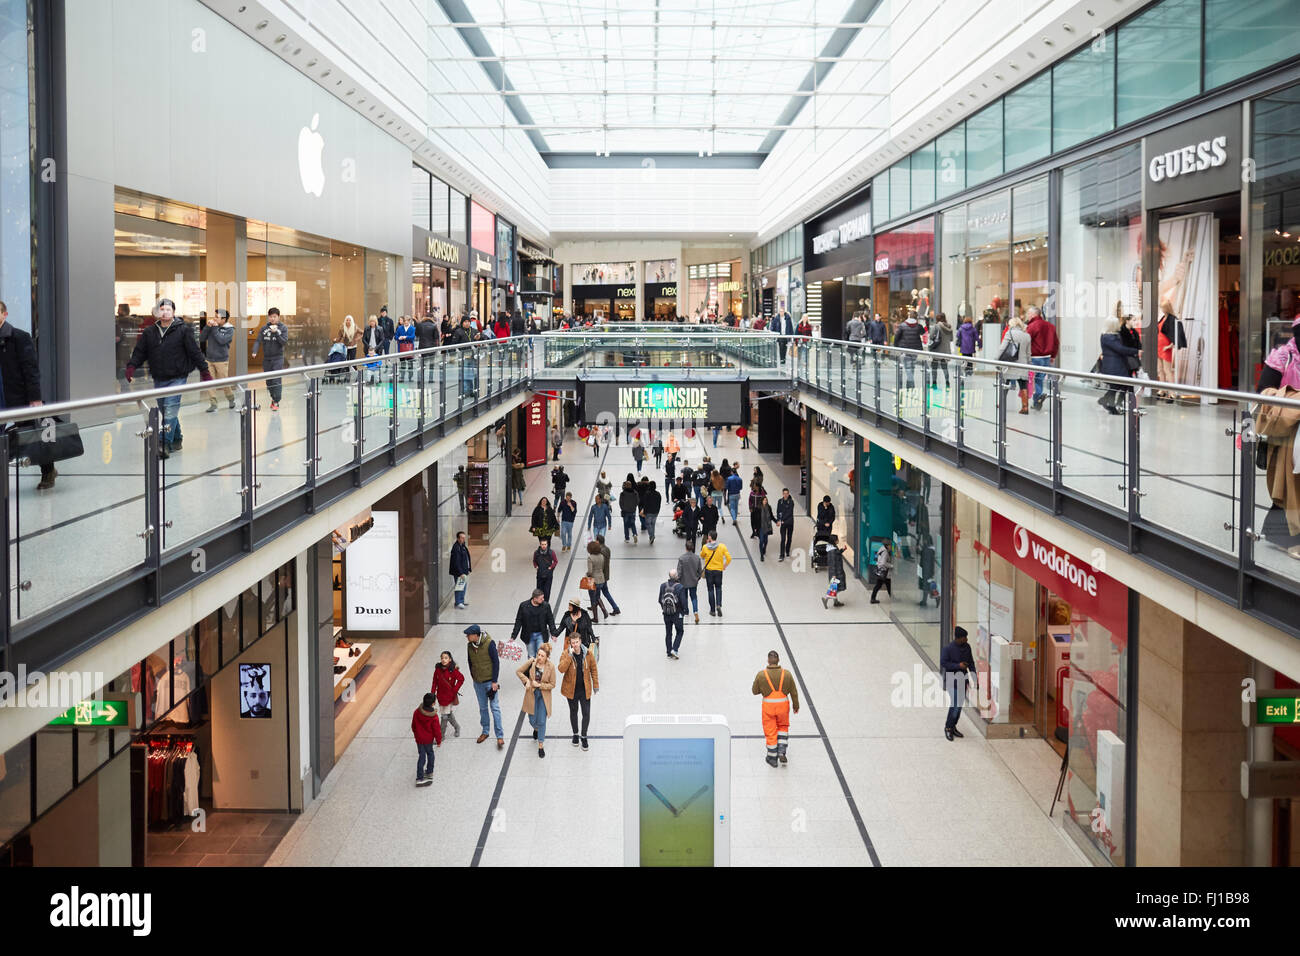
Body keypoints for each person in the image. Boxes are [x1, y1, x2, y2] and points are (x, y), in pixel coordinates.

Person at [125, 298, 212, 457]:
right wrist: (132, 366)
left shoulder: (183, 330)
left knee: (171, 408)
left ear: (173, 312)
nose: (165, 312)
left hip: (178, 376)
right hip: (159, 376)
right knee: (166, 410)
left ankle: (163, 443)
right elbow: (140, 351)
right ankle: (177, 438)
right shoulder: (150, 331)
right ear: (157, 312)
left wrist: (204, 371)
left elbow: (194, 351)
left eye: (168, 309)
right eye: (162, 309)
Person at [0, 300, 57, 489]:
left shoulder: (19, 337)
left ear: (4, 314)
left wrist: (35, 398)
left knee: (33, 435)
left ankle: (48, 470)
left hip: (18, 397)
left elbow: (31, 370)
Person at [752, 650, 800, 767]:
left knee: (770, 731)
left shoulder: (761, 675)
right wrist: (796, 705)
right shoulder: (787, 674)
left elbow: (755, 691)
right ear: (778, 660)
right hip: (783, 706)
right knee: (782, 727)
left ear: (768, 660)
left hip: (768, 707)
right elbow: (794, 692)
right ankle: (782, 751)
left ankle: (772, 758)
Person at [464, 624, 505, 749]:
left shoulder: (489, 643)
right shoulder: (470, 646)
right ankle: (485, 731)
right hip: (478, 682)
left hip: (489, 682)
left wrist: (494, 681)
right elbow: (470, 662)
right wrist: (473, 676)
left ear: (476, 635)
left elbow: (496, 662)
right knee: (483, 708)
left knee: (495, 708)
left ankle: (500, 736)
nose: (467, 637)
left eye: (469, 635)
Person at [558, 632, 599, 750]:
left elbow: (594, 669)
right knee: (573, 711)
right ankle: (575, 734)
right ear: (570, 643)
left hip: (584, 689)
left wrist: (595, 685)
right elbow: (561, 669)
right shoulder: (566, 654)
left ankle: (584, 736)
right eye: (573, 642)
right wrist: (569, 657)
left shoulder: (588, 654)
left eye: (577, 642)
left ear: (580, 641)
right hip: (571, 690)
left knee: (586, 713)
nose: (575, 645)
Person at [516, 643, 556, 759]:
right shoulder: (532, 663)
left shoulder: (551, 667)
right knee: (532, 719)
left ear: (547, 657)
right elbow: (518, 672)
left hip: (543, 696)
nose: (539, 657)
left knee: (542, 721)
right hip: (532, 695)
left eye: (542, 656)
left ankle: (540, 745)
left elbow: (553, 684)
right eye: (539, 654)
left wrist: (540, 685)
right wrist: (527, 681)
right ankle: (536, 728)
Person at [1098, 315, 1140, 416]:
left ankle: (1106, 402)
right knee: (1117, 385)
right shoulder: (1109, 337)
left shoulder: (1109, 336)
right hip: (1114, 367)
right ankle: (1108, 403)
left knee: (1118, 385)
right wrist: (1135, 351)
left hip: (1116, 366)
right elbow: (1120, 349)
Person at [251, 307, 290, 410]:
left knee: (276, 380)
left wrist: (276, 332)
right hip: (267, 359)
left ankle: (276, 401)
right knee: (269, 382)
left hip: (278, 358)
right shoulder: (264, 328)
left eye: (274, 317)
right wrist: (254, 351)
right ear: (268, 317)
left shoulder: (283, 328)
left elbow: (284, 342)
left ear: (278, 317)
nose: (272, 319)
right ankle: (274, 398)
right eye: (270, 317)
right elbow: (258, 341)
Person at [940, 627, 975, 740]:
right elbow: (944, 663)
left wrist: (974, 676)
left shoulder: (967, 647)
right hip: (952, 681)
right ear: (959, 638)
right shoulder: (948, 649)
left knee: (959, 706)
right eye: (965, 637)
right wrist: (958, 666)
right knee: (955, 705)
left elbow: (971, 662)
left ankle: (953, 726)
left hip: (962, 681)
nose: (967, 639)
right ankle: (948, 728)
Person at [200, 309, 237, 411]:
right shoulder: (212, 327)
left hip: (221, 360)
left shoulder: (230, 329)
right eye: (215, 316)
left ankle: (231, 398)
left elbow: (222, 340)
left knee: (224, 382)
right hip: (209, 359)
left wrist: (214, 328)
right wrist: (207, 327)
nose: (214, 318)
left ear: (224, 319)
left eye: (217, 317)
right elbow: (202, 338)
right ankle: (213, 404)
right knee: (210, 382)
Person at [1024, 305, 1058, 410]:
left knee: (1031, 380)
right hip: (1046, 358)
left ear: (1034, 314)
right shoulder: (1050, 326)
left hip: (1035, 357)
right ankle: (1037, 401)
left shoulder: (1032, 326)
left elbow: (1026, 341)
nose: (1028, 316)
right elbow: (1056, 342)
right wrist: (1053, 355)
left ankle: (1037, 397)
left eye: (1029, 314)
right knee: (1039, 379)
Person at [999, 315, 1033, 415]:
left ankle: (1001, 403)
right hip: (1023, 365)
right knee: (1023, 385)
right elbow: (1028, 353)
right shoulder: (1027, 335)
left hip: (1010, 363)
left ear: (1012, 324)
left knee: (1005, 383)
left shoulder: (1009, 333)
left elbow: (1002, 348)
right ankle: (1025, 407)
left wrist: (996, 360)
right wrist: (1030, 364)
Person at [411, 692, 443, 786]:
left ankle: (420, 776)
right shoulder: (433, 716)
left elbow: (413, 726)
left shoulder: (417, 712)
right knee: (430, 754)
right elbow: (437, 730)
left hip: (419, 739)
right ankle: (428, 772)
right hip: (428, 740)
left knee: (421, 756)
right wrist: (439, 741)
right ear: (433, 703)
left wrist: (417, 735)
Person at [431, 651, 464, 738]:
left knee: (444, 716)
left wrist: (455, 689)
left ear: (450, 659)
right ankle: (457, 727)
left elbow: (461, 679)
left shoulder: (453, 670)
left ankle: (441, 736)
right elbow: (434, 682)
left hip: (449, 696)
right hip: (440, 696)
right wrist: (432, 695)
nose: (443, 660)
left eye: (446, 658)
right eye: (442, 658)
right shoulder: (438, 670)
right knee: (448, 714)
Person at [893, 310, 926, 390]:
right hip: (915, 350)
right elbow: (923, 332)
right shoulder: (918, 326)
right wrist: (923, 323)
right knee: (912, 367)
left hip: (905, 350)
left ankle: (911, 385)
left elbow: (897, 337)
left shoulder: (902, 325)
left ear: (909, 316)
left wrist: (896, 346)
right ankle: (909, 386)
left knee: (908, 368)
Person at [701, 530, 731, 617]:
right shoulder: (722, 546)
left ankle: (712, 610)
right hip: (718, 571)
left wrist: (706, 544)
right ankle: (718, 604)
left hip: (709, 571)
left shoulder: (705, 547)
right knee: (718, 588)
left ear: (710, 537)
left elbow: (702, 556)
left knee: (710, 590)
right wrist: (724, 566)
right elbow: (729, 558)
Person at [659, 569, 687, 660]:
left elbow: (660, 600)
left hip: (666, 614)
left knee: (668, 632)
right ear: (676, 576)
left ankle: (668, 651)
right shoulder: (680, 587)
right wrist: (684, 611)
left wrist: (665, 609)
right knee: (680, 631)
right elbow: (683, 602)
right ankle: (674, 649)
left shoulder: (663, 586)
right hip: (677, 614)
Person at [676, 540, 704, 625]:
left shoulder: (681, 558)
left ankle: (686, 611)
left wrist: (677, 580)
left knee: (684, 597)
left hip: (683, 582)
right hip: (693, 581)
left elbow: (679, 572)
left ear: (686, 548)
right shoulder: (697, 558)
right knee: (694, 596)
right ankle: (695, 612)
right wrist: (697, 578)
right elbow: (700, 571)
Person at [594, 534, 621, 617]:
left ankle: (596, 606)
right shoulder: (607, 549)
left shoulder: (599, 551)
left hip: (600, 576)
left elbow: (598, 563)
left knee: (597, 594)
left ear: (598, 541)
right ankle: (615, 608)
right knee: (605, 592)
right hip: (605, 574)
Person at [929, 312, 954, 389]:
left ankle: (934, 383)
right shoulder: (949, 327)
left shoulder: (936, 326)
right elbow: (951, 339)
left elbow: (930, 336)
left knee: (934, 367)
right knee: (945, 367)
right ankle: (947, 382)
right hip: (945, 351)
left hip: (937, 350)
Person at [822, 534, 846, 608]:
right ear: (834, 541)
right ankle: (827, 599)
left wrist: (842, 550)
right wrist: (834, 575)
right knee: (835, 588)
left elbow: (837, 554)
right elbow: (832, 563)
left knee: (834, 587)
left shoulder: (833, 548)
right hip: (836, 572)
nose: (838, 540)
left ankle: (836, 602)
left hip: (837, 571)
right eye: (837, 539)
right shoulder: (832, 551)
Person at [449, 530, 472, 608]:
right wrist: (461, 573)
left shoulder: (462, 546)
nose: (463, 539)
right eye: (462, 538)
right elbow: (456, 562)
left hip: (464, 571)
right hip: (459, 572)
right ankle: (458, 602)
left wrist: (468, 568)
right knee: (459, 587)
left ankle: (461, 601)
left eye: (464, 538)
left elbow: (466, 558)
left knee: (463, 587)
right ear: (458, 538)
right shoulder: (456, 548)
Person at [532, 539, 559, 604]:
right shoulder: (536, 553)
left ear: (547, 544)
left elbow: (555, 561)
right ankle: (539, 602)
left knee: (547, 590)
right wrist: (536, 566)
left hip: (548, 575)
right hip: (540, 574)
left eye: (545, 544)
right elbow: (534, 561)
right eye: (542, 544)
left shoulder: (551, 552)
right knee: (539, 590)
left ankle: (545, 603)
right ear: (540, 544)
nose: (544, 546)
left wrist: (551, 567)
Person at [394, 314, 417, 382]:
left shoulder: (413, 328)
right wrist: (398, 338)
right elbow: (395, 336)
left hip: (409, 348)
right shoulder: (400, 328)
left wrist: (405, 337)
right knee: (402, 363)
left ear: (409, 321)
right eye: (404, 321)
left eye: (407, 321)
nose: (406, 322)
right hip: (401, 347)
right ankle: (402, 377)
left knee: (410, 363)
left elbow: (413, 337)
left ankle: (410, 377)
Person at [755, 494, 775, 561]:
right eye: (764, 500)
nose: (765, 501)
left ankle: (764, 548)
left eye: (766, 500)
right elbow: (756, 519)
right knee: (761, 541)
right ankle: (761, 555)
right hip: (760, 527)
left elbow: (771, 516)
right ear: (761, 501)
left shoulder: (769, 507)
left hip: (767, 527)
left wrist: (776, 521)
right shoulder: (758, 508)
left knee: (765, 541)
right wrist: (755, 527)